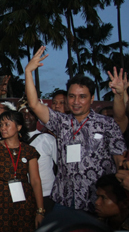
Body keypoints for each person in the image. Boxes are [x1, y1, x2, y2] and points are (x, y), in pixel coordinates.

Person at [25, 46, 126, 213]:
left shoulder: (107, 124)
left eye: (82, 96)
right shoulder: (61, 122)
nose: (76, 101)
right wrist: (28, 72)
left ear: (92, 98)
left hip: (96, 203)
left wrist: (120, 95)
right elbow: (34, 105)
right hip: (64, 200)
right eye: (71, 96)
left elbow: (119, 158)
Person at [0, 110, 44, 232]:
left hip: (25, 203)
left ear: (19, 127)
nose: (2, 128)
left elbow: (35, 181)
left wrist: (40, 210)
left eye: (7, 124)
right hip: (0, 202)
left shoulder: (29, 150)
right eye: (1, 124)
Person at [17, 97, 57, 214]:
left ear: (37, 117)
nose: (27, 117)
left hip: (47, 193)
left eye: (31, 113)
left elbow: (58, 165)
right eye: (23, 114)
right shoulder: (14, 141)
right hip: (23, 194)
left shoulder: (48, 139)